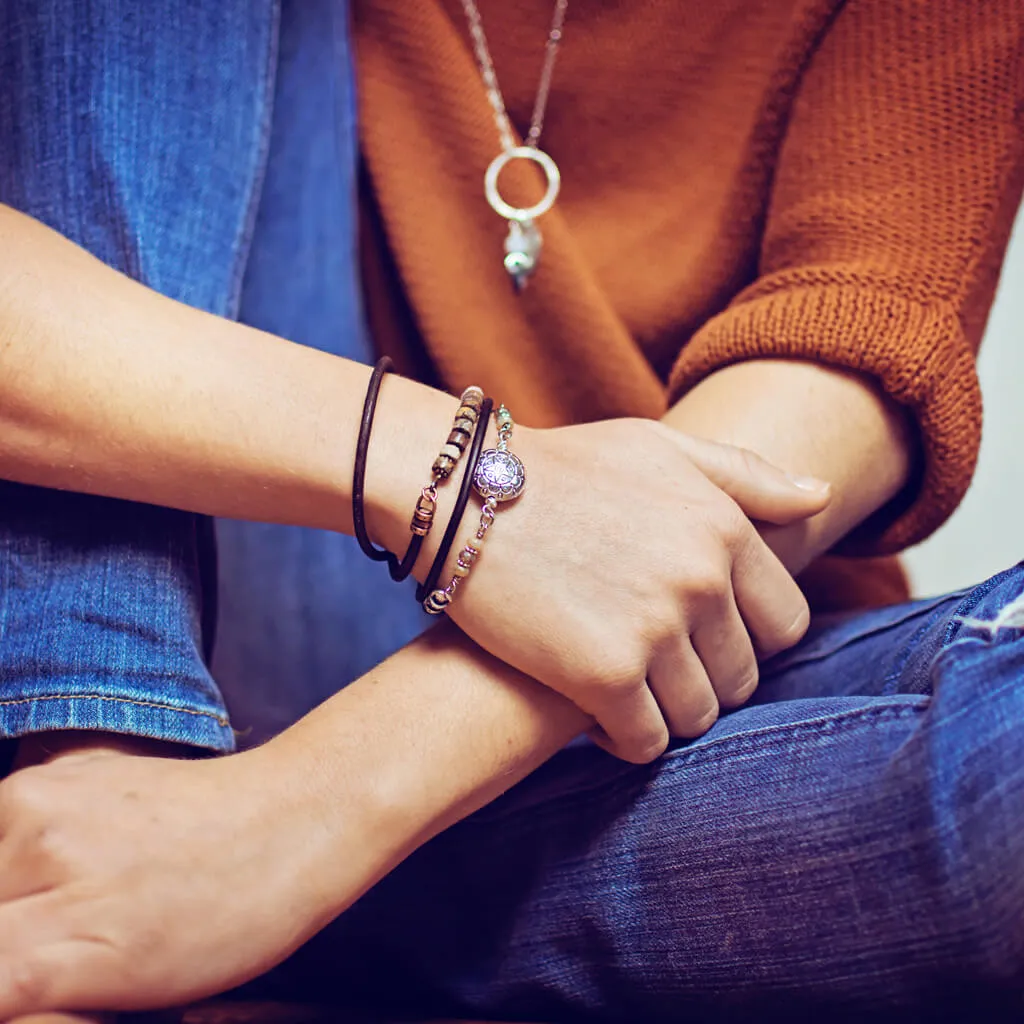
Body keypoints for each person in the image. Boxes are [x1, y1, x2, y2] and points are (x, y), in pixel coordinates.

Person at [0, 0, 1021, 1021]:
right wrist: (460, 482)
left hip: (678, 676)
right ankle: (96, 782)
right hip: (251, 615)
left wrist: (292, 818)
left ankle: (165, 907)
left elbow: (834, 382)